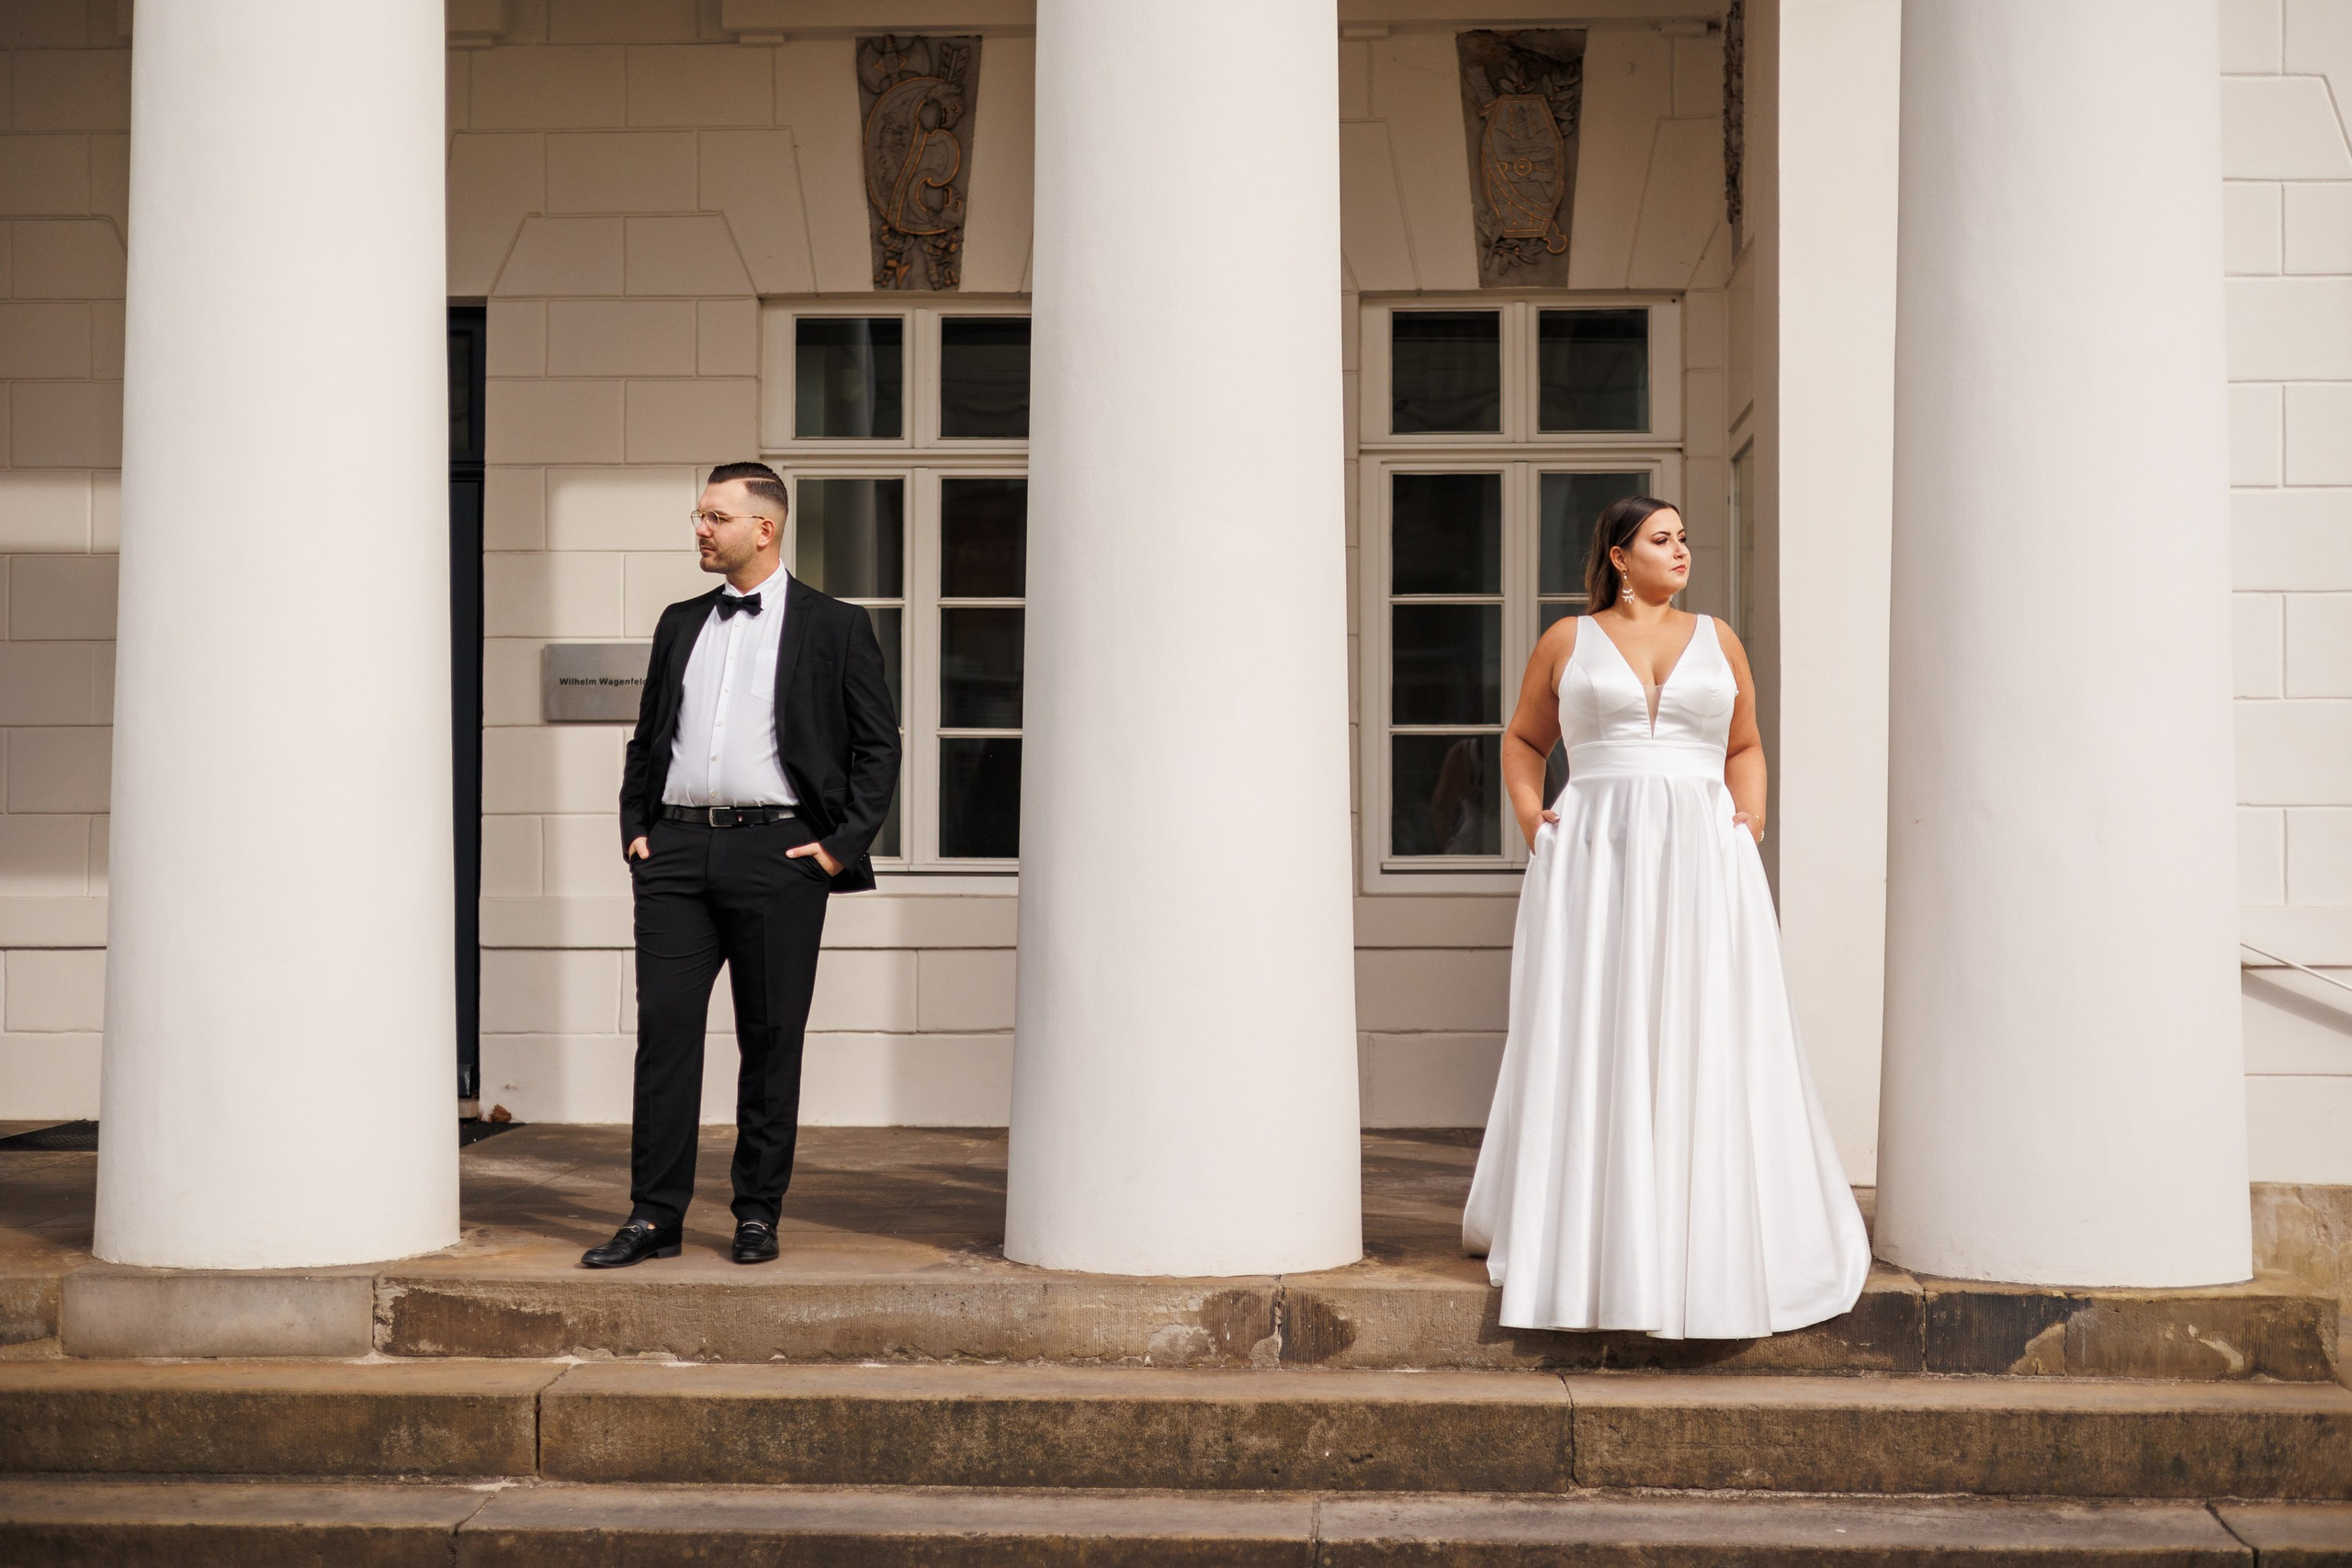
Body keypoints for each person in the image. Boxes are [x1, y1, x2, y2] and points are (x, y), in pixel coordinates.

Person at [1462, 495, 1869, 1337]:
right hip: (1597, 858)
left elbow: (1745, 744)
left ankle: (1701, 1236)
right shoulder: (1566, 641)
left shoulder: (1719, 639)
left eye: (1684, 538)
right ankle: (1591, 1239)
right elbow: (1524, 740)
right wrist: (1535, 819)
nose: (1681, 550)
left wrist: (1747, 823)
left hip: (1702, 861)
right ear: (1619, 555)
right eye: (1662, 538)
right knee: (1595, 1029)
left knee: (1703, 1026)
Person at [582, 462, 900, 1269]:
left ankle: (757, 1211)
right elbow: (648, 737)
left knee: (769, 1039)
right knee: (665, 1038)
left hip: (780, 855)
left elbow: (877, 748)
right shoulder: (679, 621)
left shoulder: (836, 626)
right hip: (677, 852)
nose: (699, 528)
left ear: (765, 527)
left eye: (714, 516)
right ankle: (655, 1216)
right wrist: (636, 828)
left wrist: (836, 848)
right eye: (698, 514)